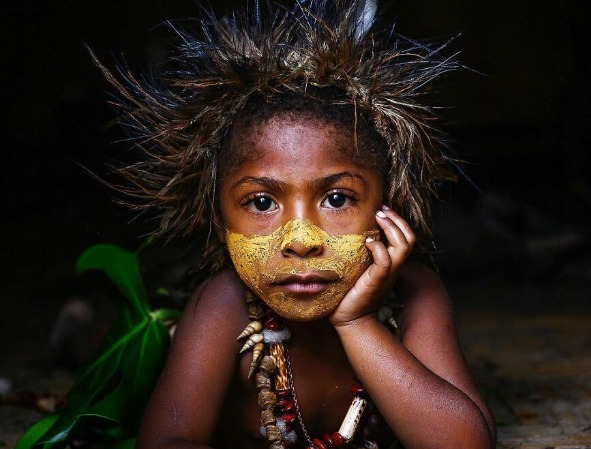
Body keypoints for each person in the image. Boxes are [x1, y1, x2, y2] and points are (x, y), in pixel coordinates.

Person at [101, 1, 496, 447]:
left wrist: (358, 323)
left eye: (337, 198)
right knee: (127, 360)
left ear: (388, 208)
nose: (302, 240)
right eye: (262, 201)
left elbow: (467, 443)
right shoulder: (223, 306)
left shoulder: (413, 295)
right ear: (219, 219)